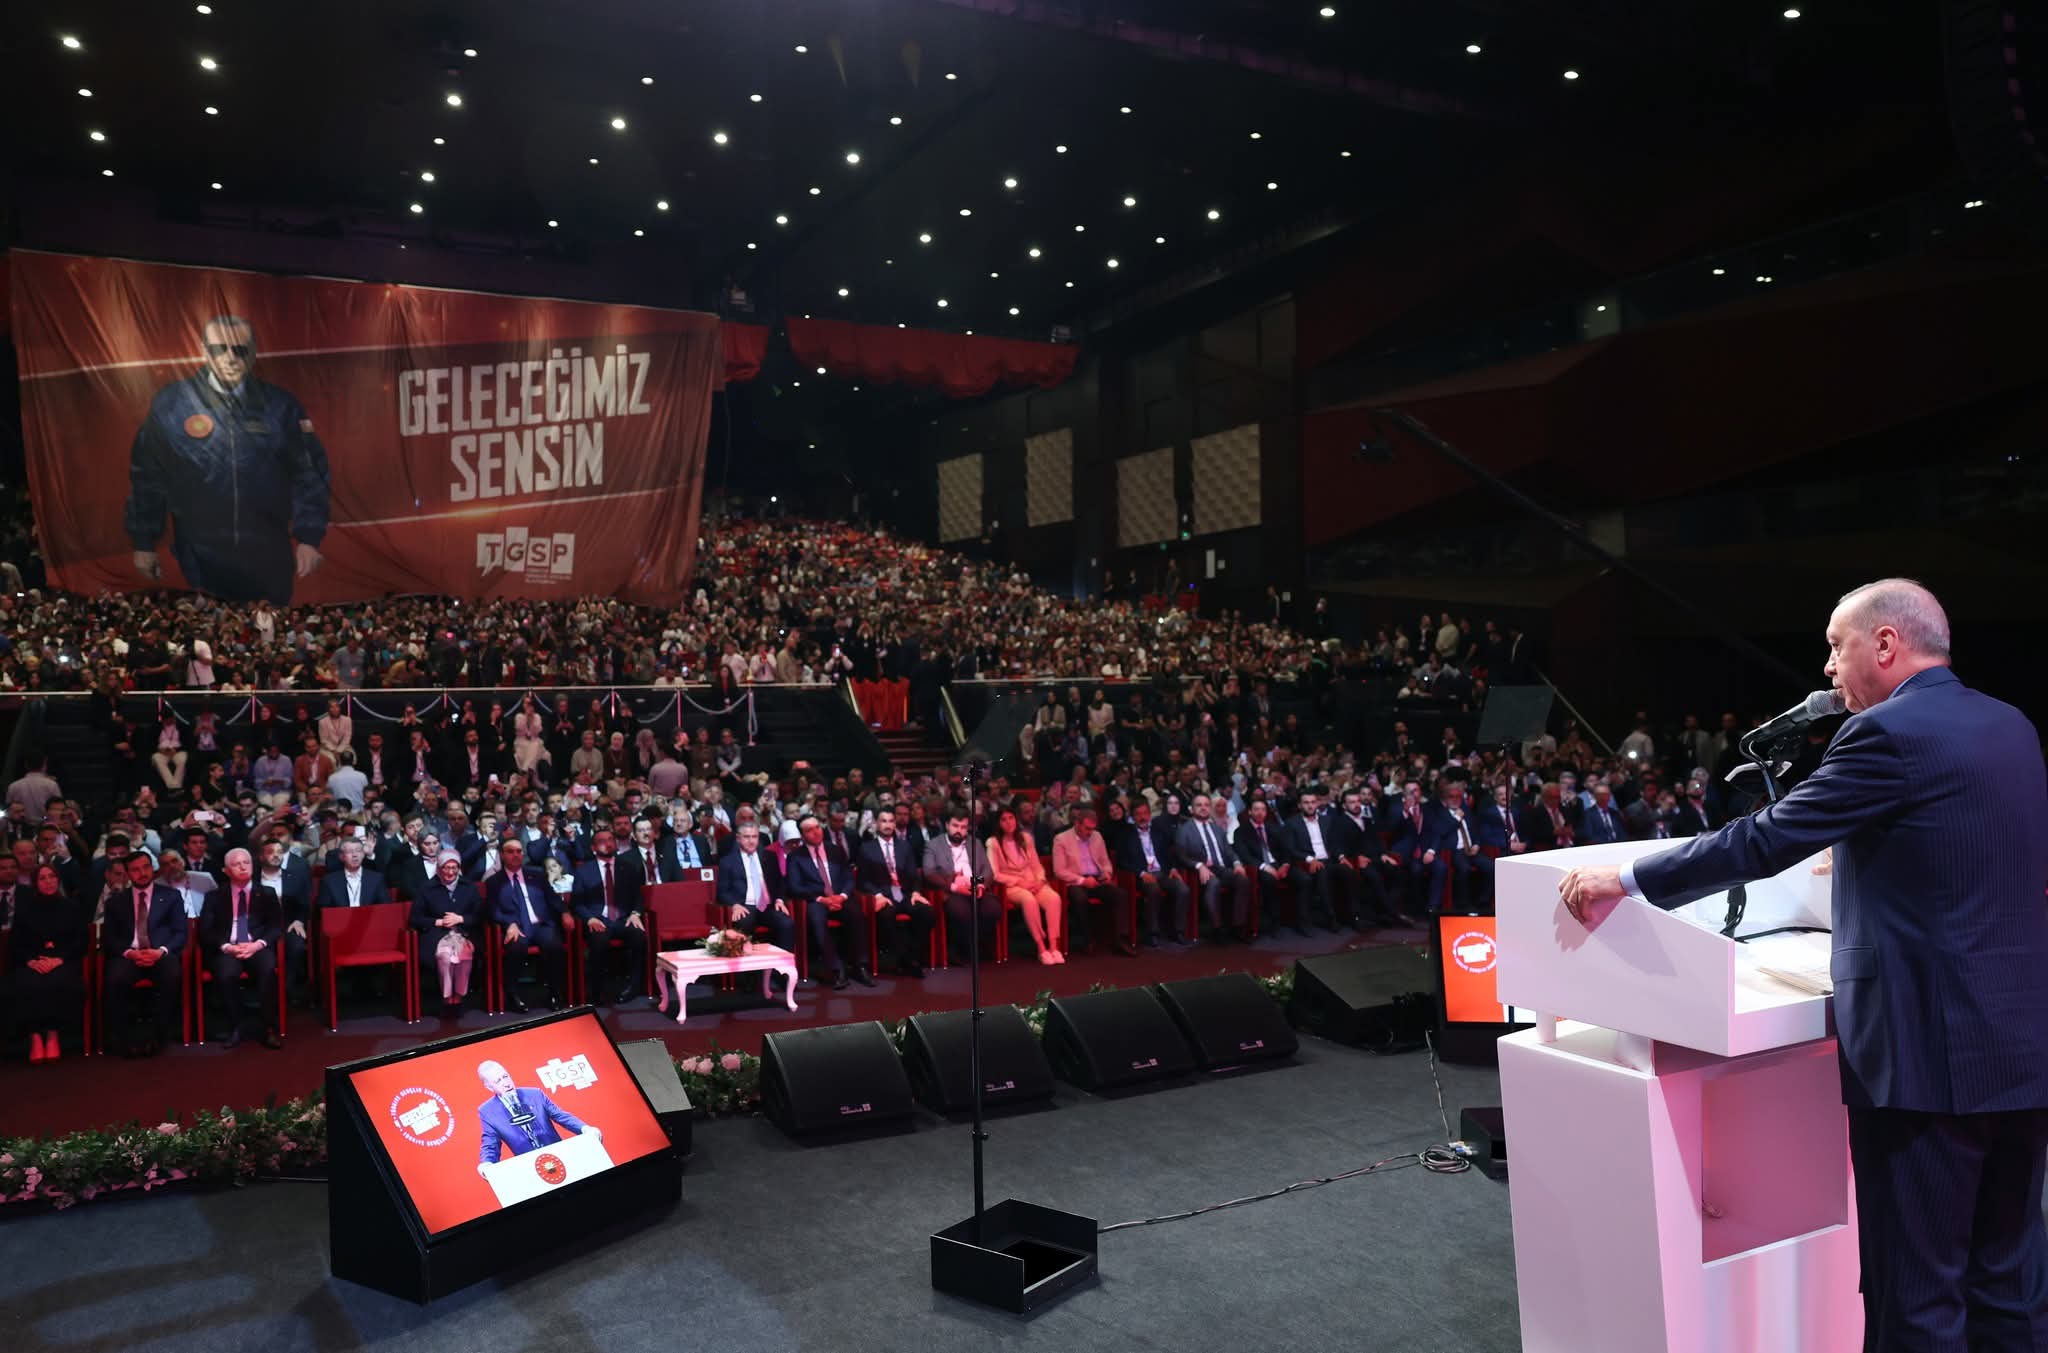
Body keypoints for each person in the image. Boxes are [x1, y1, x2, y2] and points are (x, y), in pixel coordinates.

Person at [1560, 579, 2048, 1348]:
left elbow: (1761, 838)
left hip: (1925, 1065)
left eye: (1835, 644)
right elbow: (1964, 856)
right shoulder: (2011, 726)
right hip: (2021, 1052)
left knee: (1918, 1296)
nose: (1827, 667)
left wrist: (1626, 877)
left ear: (1885, 644)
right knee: (2008, 1284)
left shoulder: (1887, 734)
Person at [124, 315, 332, 603]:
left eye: (240, 350)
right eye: (220, 348)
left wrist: (309, 538)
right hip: (197, 558)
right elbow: (148, 475)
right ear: (204, 350)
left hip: (268, 558)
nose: (231, 358)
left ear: (254, 351)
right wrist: (144, 542)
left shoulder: (281, 407)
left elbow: (310, 474)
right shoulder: (172, 404)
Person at [102, 852, 187, 1057]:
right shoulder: (116, 902)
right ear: (127, 875)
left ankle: (158, 1036)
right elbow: (110, 938)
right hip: (130, 955)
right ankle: (122, 1038)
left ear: (152, 868)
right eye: (136, 869)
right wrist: (130, 953)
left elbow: (181, 932)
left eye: (146, 867)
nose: (142, 873)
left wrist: (160, 951)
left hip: (160, 953)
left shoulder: (171, 896)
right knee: (114, 977)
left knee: (172, 974)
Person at [198, 847, 282, 1048]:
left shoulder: (267, 893)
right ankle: (235, 1025)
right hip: (228, 948)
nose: (243, 867)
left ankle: (269, 1027)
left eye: (246, 863)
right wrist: (227, 947)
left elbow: (276, 926)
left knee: (268, 968)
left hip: (257, 946)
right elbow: (206, 930)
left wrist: (257, 945)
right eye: (236, 864)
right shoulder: (214, 896)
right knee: (226, 973)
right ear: (226, 871)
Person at [784, 813, 871, 989]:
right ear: (802, 836)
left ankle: (860, 966)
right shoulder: (796, 856)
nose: (815, 832)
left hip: (840, 897)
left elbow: (848, 877)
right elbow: (794, 886)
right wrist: (821, 899)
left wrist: (843, 896)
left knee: (857, 915)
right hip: (816, 900)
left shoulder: (835, 850)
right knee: (817, 920)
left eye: (817, 828)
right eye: (809, 830)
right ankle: (837, 969)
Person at [12, 864, 87, 1062]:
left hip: (64, 960)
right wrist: (31, 961)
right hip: (33, 962)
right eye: (42, 878)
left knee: (59, 982)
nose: (48, 882)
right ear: (35, 883)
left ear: (58, 879)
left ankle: (53, 1034)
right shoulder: (25, 909)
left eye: (52, 877)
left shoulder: (72, 907)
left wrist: (59, 959)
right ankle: (35, 1035)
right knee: (28, 983)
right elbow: (16, 943)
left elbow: (80, 940)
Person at [474, 1059, 600, 1174]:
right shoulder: (487, 1111)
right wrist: (486, 1163)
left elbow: (561, 1115)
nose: (506, 1083)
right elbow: (490, 1142)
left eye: (505, 1077)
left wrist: (584, 1128)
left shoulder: (535, 1094)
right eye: (498, 1081)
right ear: (489, 1087)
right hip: (531, 1170)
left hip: (561, 1158)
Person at [853, 807, 935, 977]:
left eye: (891, 821)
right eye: (884, 821)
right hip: (883, 896)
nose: (888, 825)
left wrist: (916, 892)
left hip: (904, 894)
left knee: (927, 912)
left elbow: (914, 874)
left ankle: (912, 955)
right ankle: (907, 958)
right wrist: (877, 895)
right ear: (876, 824)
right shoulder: (866, 848)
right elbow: (862, 881)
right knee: (887, 915)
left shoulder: (904, 846)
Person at [571, 826, 648, 1006]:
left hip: (623, 919)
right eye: (601, 841)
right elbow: (577, 902)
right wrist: (589, 918)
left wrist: (636, 913)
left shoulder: (628, 867)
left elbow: (638, 897)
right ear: (593, 848)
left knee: (639, 936)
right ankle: (597, 991)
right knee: (599, 940)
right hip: (598, 919)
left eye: (610, 840)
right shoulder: (584, 871)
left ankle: (634, 986)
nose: (607, 844)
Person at [489, 839, 565, 1012]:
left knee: (554, 946)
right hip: (516, 927)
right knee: (515, 948)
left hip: (541, 924)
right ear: (502, 854)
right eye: (510, 851)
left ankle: (554, 992)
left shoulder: (537, 875)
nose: (516, 855)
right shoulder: (494, 881)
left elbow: (553, 899)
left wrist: (565, 912)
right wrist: (509, 924)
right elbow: (493, 911)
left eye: (519, 851)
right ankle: (513, 994)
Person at [1051, 807, 1135, 956]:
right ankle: (1088, 940)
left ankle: (1121, 940)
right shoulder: (1061, 839)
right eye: (1087, 828)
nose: (1090, 832)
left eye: (1092, 829)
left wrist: (1107, 873)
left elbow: (1105, 861)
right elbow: (1059, 871)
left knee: (1120, 894)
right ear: (1077, 824)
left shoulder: (1097, 836)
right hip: (1075, 881)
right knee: (1080, 898)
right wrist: (1082, 880)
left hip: (1096, 878)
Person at [923, 805, 1001, 965]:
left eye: (963, 827)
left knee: (993, 909)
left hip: (975, 888)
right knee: (962, 911)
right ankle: (963, 950)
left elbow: (987, 871)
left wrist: (980, 886)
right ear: (947, 826)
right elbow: (929, 872)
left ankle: (976, 946)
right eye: (955, 826)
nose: (959, 830)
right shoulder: (933, 845)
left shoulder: (975, 843)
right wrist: (954, 886)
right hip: (951, 891)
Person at [987, 807, 1064, 964]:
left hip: (1033, 882)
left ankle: (1054, 947)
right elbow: (995, 874)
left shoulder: (1025, 838)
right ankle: (1041, 948)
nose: (1009, 822)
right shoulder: (993, 843)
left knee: (1054, 899)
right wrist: (1020, 882)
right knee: (1029, 900)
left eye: (1011, 818)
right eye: (1004, 819)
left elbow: (1037, 866)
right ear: (998, 823)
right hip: (1012, 886)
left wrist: (1040, 881)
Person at [1174, 793, 1249, 942]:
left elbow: (1228, 850)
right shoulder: (1184, 829)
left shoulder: (1216, 828)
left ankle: (1237, 926)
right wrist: (1199, 865)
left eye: (1206, 805)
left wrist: (1237, 863)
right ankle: (1217, 928)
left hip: (1221, 868)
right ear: (1191, 809)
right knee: (1214, 883)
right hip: (1200, 871)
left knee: (1242, 880)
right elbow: (1181, 855)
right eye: (1199, 805)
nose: (1203, 808)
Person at [714, 821, 797, 956]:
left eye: (754, 837)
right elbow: (722, 891)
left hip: (767, 906)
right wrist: (734, 905)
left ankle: (781, 970)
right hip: (745, 906)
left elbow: (780, 883)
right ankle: (747, 973)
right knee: (743, 924)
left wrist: (779, 900)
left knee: (787, 924)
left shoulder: (769, 856)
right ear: (738, 838)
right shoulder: (727, 861)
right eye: (747, 837)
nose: (751, 841)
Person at [413, 851, 482, 1012]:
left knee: (464, 955)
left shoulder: (469, 887)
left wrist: (461, 919)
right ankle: (447, 997)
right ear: (439, 869)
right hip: (437, 935)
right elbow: (416, 918)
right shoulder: (427, 888)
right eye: (446, 868)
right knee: (446, 957)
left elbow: (480, 914)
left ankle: (458, 997)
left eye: (454, 868)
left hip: (464, 933)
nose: (450, 872)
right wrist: (437, 922)